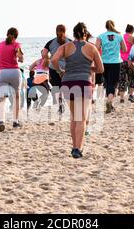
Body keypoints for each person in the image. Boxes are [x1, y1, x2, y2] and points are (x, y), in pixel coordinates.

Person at [52, 22, 103, 158]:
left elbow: (54, 59)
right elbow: (101, 69)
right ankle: (78, 149)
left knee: (74, 117)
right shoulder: (91, 48)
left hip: (68, 82)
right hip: (83, 83)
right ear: (85, 34)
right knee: (82, 118)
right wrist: (89, 68)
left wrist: (60, 70)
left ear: (73, 33)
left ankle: (74, 146)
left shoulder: (65, 47)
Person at [0, 27, 24, 131]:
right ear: (16, 36)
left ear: (7, 34)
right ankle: (15, 121)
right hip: (14, 72)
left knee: (2, 98)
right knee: (16, 97)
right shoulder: (16, 44)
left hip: (2, 72)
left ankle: (1, 121)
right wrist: (20, 57)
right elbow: (19, 55)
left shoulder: (0, 45)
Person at [96, 20, 126, 113]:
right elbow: (124, 49)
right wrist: (116, 47)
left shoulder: (100, 36)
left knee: (108, 83)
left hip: (104, 62)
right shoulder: (119, 36)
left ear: (106, 26)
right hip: (116, 62)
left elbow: (96, 49)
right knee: (113, 84)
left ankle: (110, 103)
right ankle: (109, 101)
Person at [42, 25, 71, 115]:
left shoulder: (50, 42)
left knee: (55, 88)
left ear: (56, 31)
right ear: (65, 31)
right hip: (66, 69)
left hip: (54, 68)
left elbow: (44, 53)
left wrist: (46, 59)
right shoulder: (70, 42)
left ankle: (60, 105)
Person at [119, 24, 134, 103]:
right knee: (133, 78)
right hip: (131, 61)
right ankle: (131, 95)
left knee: (122, 79)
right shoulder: (133, 38)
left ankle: (121, 98)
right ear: (132, 31)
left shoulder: (120, 37)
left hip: (121, 60)